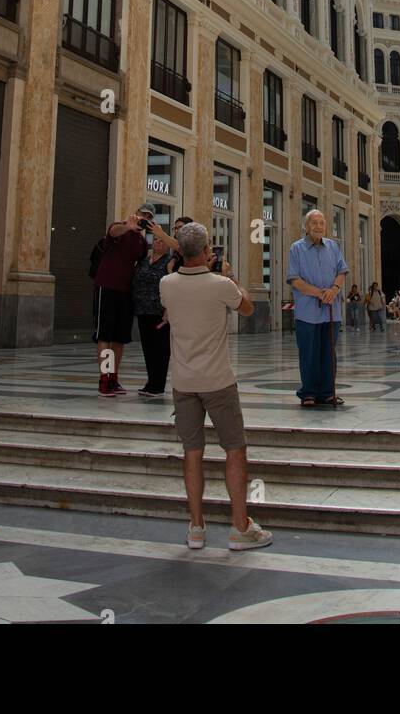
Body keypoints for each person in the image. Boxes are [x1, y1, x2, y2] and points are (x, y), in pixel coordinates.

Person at [159, 222, 272, 551]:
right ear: (207, 251)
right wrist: (230, 276)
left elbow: (172, 308)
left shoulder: (167, 283)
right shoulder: (221, 284)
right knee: (234, 449)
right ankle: (240, 527)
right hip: (218, 381)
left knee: (191, 453)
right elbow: (248, 308)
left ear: (181, 252)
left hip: (183, 382)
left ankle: (196, 527)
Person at [92, 203, 166, 396]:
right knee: (105, 335)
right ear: (135, 214)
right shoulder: (120, 228)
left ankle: (114, 377)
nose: (144, 219)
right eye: (142, 215)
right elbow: (113, 231)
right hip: (107, 287)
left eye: (148, 217)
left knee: (119, 338)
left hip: (126, 292)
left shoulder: (142, 243)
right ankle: (104, 378)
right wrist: (128, 225)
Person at [286, 210, 348, 406]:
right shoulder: (296, 248)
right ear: (306, 226)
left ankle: (328, 392)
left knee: (329, 353)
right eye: (314, 223)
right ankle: (309, 393)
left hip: (331, 311)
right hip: (307, 312)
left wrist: (335, 289)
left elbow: (342, 271)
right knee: (308, 353)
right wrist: (320, 293)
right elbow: (295, 280)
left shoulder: (333, 246)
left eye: (322, 223)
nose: (319, 226)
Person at [132, 228, 177, 399]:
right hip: (143, 310)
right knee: (148, 347)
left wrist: (168, 308)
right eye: (156, 239)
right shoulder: (143, 261)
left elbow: (172, 285)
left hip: (160, 311)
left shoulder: (169, 262)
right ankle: (150, 381)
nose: (158, 242)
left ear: (168, 246)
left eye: (162, 240)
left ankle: (158, 384)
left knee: (161, 349)